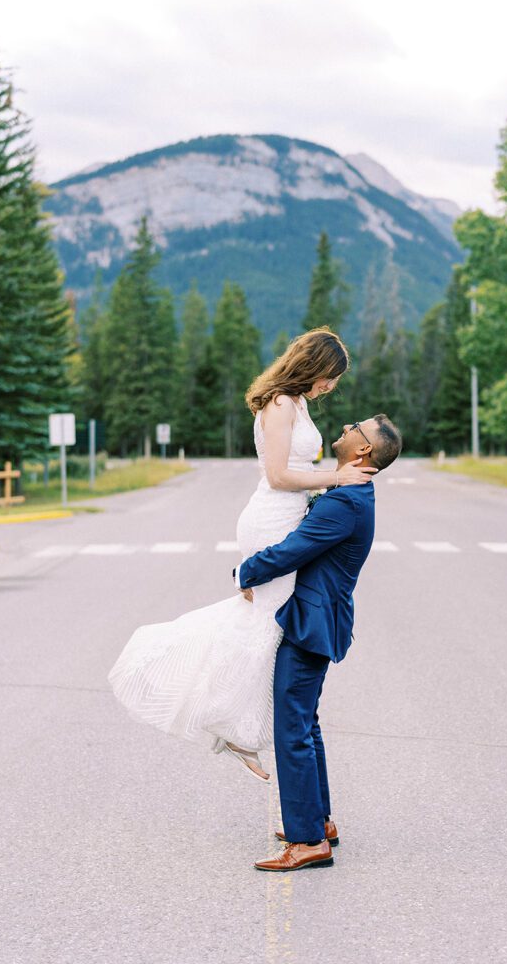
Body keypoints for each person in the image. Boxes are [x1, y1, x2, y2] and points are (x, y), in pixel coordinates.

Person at [107, 328, 375, 780]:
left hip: (290, 516)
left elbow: (297, 469)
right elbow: (277, 476)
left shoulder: (299, 402)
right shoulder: (280, 405)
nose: (332, 386)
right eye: (331, 376)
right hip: (271, 519)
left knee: (268, 627)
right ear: (313, 365)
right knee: (266, 624)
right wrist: (336, 479)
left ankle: (237, 727)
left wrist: (328, 482)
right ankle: (229, 724)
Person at [236, 413, 403, 872]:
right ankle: (318, 822)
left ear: (363, 450)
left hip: (310, 622)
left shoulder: (344, 503)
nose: (347, 427)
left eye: (357, 428)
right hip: (318, 616)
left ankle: (308, 841)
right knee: (304, 723)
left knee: (292, 727)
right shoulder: (349, 493)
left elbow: (294, 549)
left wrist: (244, 572)